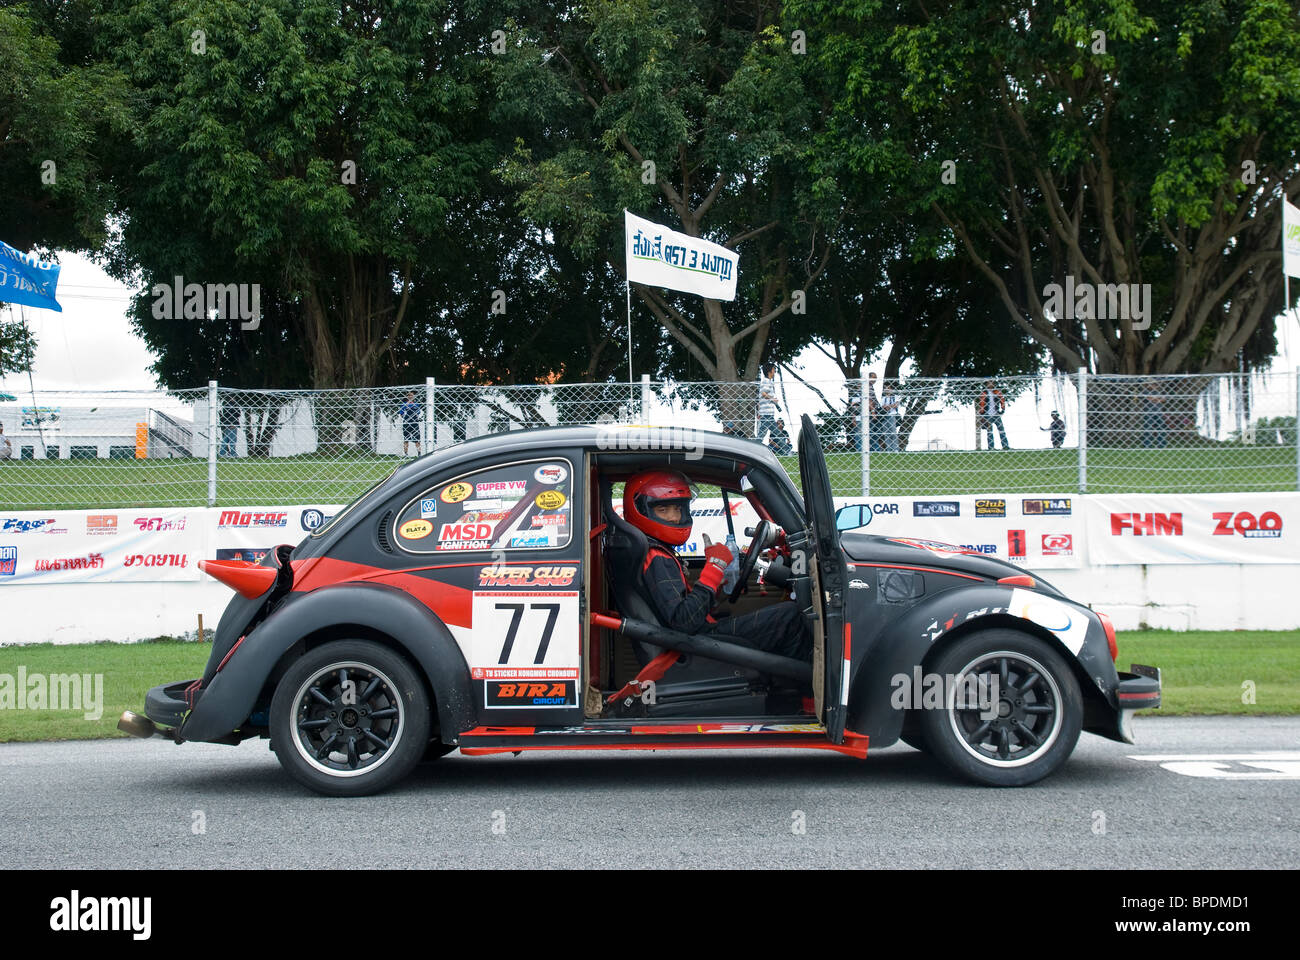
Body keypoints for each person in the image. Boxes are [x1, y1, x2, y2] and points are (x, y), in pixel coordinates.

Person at [623, 470, 812, 663]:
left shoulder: (654, 552)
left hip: (698, 637)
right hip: (697, 645)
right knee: (791, 616)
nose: (674, 517)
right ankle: (802, 680)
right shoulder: (657, 557)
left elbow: (682, 611)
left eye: (678, 509)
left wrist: (714, 588)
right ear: (642, 510)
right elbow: (684, 622)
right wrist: (715, 567)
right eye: (663, 510)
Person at [977, 379, 1010, 450]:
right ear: (986, 384)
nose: (990, 384)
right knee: (989, 431)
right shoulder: (984, 393)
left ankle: (1005, 446)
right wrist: (982, 413)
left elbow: (1002, 400)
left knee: (1001, 429)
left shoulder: (997, 392)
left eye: (992, 382)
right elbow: (981, 403)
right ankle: (991, 447)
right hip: (987, 414)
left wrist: (1002, 409)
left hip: (996, 414)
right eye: (989, 383)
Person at [756, 363, 779, 443]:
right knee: (775, 433)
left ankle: (785, 448)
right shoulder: (766, 381)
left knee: (764, 433)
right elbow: (763, 394)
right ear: (769, 371)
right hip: (766, 413)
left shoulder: (768, 381)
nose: (775, 372)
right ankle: (785, 448)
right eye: (773, 369)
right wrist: (773, 399)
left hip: (767, 413)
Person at [1141, 380, 1166, 448]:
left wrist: (1157, 399)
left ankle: (1161, 444)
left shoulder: (1159, 391)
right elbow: (1150, 399)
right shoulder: (1145, 392)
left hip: (1159, 412)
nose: (1154, 386)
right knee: (1148, 428)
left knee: (1161, 428)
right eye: (1152, 384)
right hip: (1148, 412)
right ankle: (1147, 444)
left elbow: (1164, 399)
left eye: (1155, 384)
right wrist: (1158, 399)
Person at [400, 391, 421, 456]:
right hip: (406, 423)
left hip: (415, 423)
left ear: (414, 396)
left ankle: (419, 453)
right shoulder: (404, 404)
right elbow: (401, 413)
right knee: (406, 439)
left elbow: (418, 413)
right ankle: (406, 454)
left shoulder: (416, 404)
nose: (410, 396)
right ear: (407, 396)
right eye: (408, 395)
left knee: (417, 438)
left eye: (411, 395)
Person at [880, 383, 900, 452]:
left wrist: (888, 406)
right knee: (886, 433)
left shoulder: (895, 397)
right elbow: (882, 407)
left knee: (893, 432)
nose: (887, 390)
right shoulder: (883, 398)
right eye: (885, 388)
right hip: (885, 416)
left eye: (888, 388)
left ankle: (895, 448)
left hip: (892, 415)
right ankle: (889, 448)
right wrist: (890, 406)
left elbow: (896, 405)